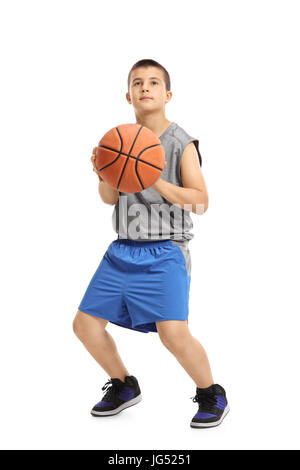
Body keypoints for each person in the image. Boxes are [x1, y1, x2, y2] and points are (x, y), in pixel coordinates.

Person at [72, 59, 230, 428]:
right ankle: (124, 385)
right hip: (122, 249)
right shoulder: (117, 141)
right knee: (85, 326)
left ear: (167, 94)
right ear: (128, 95)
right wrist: (103, 172)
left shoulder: (180, 142)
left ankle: (211, 392)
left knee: (172, 334)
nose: (146, 87)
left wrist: (153, 177)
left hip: (165, 251)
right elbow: (109, 199)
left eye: (154, 82)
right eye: (138, 82)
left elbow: (200, 202)